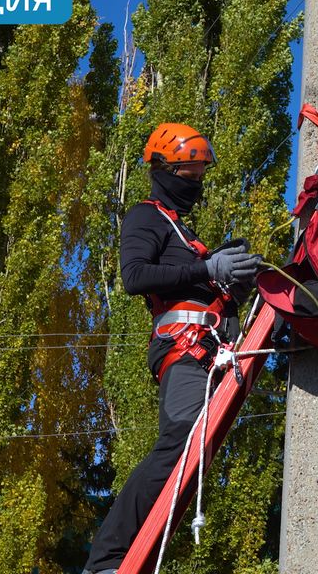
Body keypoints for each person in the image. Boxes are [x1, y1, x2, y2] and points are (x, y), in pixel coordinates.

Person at [83, 124, 261, 574]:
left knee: (200, 449)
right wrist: (207, 266)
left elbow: (201, 288)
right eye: (191, 172)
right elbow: (135, 276)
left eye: (201, 173)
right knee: (181, 439)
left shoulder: (184, 232)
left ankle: (132, 553)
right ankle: (105, 559)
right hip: (183, 351)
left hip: (210, 351)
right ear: (165, 169)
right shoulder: (147, 217)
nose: (197, 182)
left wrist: (232, 282)